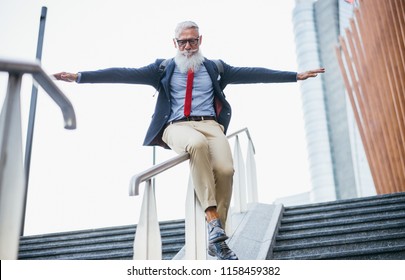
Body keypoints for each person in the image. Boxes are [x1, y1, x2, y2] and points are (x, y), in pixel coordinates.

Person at [54, 20, 325, 260]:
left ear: (200, 40)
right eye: (182, 42)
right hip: (176, 127)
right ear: (174, 43)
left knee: (226, 170)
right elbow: (122, 73)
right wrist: (80, 77)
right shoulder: (162, 68)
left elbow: (252, 73)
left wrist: (294, 76)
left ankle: (217, 239)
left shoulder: (215, 68)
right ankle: (211, 218)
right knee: (195, 144)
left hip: (210, 124)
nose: (187, 47)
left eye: (192, 41)